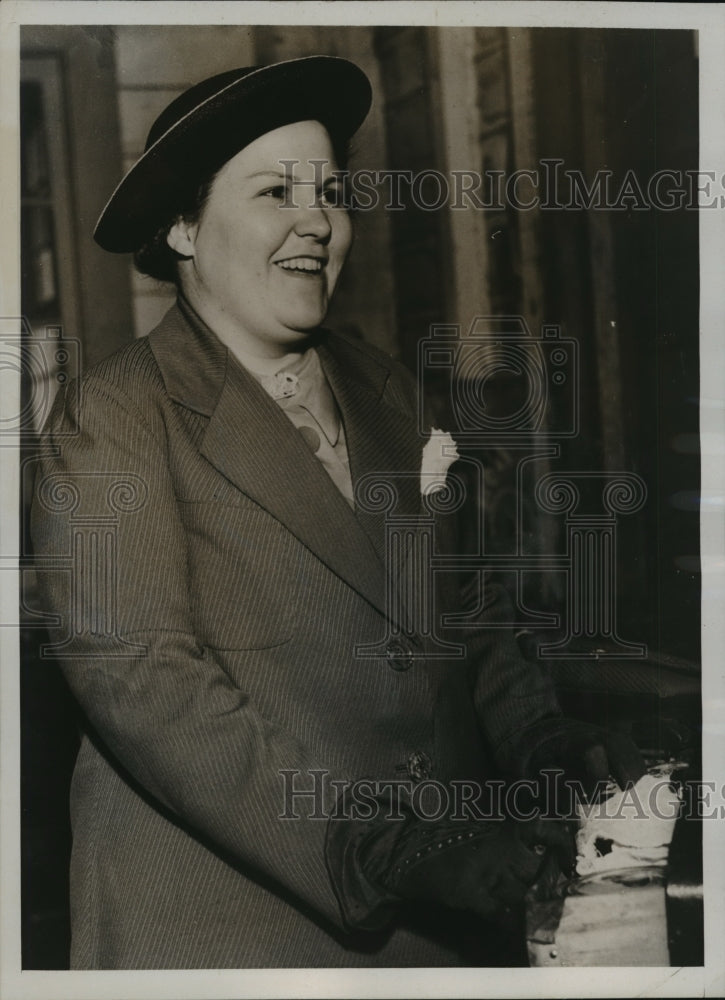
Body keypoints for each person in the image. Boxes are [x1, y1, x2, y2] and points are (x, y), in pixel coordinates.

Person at [30, 56, 645, 969]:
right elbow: (148, 685)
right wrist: (386, 847)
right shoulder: (113, 418)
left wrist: (539, 738)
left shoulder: (389, 392)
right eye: (275, 191)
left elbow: (463, 615)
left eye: (330, 193)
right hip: (233, 934)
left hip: (436, 929)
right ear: (183, 227)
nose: (316, 221)